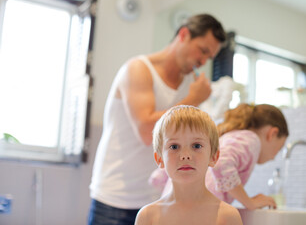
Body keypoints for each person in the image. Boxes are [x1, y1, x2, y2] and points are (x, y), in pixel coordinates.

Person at [88, 14, 226, 225]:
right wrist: (194, 99)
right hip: (116, 197)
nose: (203, 61)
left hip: (156, 196)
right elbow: (146, 132)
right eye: (203, 50)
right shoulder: (138, 69)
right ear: (184, 34)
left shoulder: (190, 83)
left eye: (209, 57)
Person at [150, 103, 289, 210]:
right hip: (204, 209)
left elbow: (158, 177)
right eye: (279, 148)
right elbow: (222, 162)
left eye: (196, 147)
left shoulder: (228, 136)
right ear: (272, 134)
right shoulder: (251, 139)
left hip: (172, 205)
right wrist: (249, 202)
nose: (273, 158)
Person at [135, 105, 243, 225]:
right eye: (174, 147)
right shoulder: (147, 217)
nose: (185, 155)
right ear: (159, 159)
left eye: (196, 146)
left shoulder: (227, 216)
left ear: (213, 156)